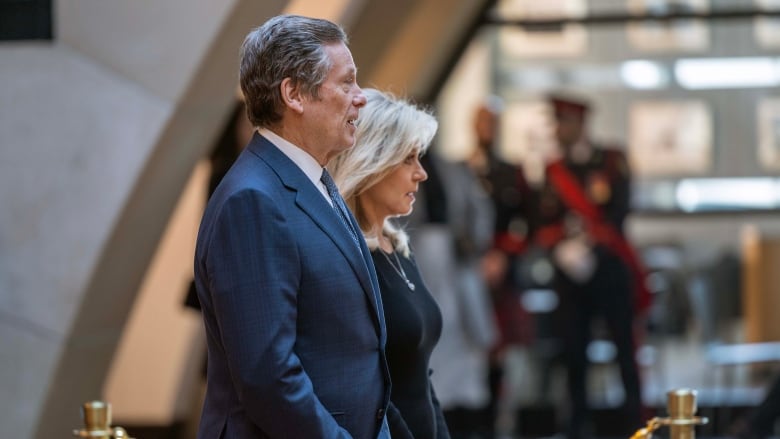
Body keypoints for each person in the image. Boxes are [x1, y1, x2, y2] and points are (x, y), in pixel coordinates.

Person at [193, 15, 391, 439]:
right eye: (347, 83)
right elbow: (268, 376)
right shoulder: (253, 201)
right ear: (294, 94)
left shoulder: (311, 177)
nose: (361, 99)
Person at [328, 88, 450, 439]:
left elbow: (420, 378)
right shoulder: (348, 256)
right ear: (372, 163)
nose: (421, 173)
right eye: (408, 159)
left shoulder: (398, 248)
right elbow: (367, 387)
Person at [534, 94, 650, 439]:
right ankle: (576, 428)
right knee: (574, 355)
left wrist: (590, 245)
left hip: (609, 269)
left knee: (625, 354)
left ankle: (636, 426)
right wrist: (563, 246)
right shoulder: (554, 170)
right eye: (555, 123)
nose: (558, 130)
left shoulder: (611, 161)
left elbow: (619, 210)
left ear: (580, 123)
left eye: (563, 122)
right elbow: (544, 219)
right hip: (570, 277)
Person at [407, 149, 499, 439]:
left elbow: (481, 211)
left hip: (457, 267)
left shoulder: (455, 167)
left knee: (467, 344)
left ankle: (470, 422)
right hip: (419, 259)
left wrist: (474, 240)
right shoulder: (397, 166)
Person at [467, 97, 536, 435]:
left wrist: (504, 256)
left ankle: (496, 421)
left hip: (504, 273)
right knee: (473, 345)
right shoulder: (462, 169)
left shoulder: (513, 172)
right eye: (481, 122)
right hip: (471, 270)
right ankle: (474, 420)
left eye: (491, 123)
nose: (486, 129)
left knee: (500, 350)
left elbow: (527, 224)